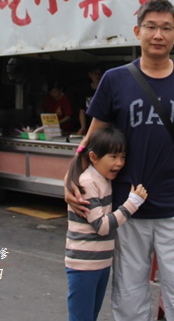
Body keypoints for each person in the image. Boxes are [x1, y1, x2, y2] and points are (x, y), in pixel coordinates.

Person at [65, 0, 174, 321]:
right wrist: (70, 180)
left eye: (166, 28)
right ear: (138, 31)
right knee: (129, 291)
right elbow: (91, 137)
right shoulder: (115, 79)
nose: (158, 34)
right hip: (124, 206)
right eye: (151, 27)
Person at [64, 127, 148, 321]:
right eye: (113, 157)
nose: (119, 163)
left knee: (90, 315)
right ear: (93, 157)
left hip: (100, 263)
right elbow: (101, 226)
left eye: (123, 157)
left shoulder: (103, 179)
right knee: (82, 317)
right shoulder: (87, 183)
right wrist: (132, 204)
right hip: (83, 264)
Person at [76, 66, 103, 136]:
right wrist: (83, 126)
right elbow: (82, 110)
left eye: (99, 74)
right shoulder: (85, 90)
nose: (97, 76)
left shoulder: (105, 89)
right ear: (90, 75)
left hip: (102, 126)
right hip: (89, 125)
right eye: (95, 74)